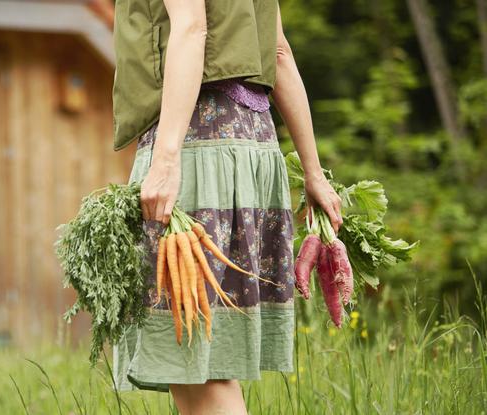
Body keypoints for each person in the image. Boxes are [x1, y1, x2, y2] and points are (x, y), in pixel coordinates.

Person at [112, 0, 344, 413]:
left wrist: (165, 161)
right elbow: (279, 52)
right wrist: (314, 172)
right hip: (253, 146)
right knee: (208, 360)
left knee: (193, 360)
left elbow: (191, 28)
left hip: (199, 147)